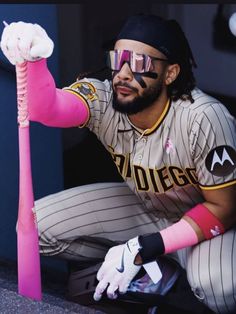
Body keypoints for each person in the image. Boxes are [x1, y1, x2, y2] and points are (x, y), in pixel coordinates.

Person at [1, 14, 236, 314]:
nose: (123, 73)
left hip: (202, 223)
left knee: (221, 288)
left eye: (139, 63)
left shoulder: (202, 116)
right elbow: (47, 109)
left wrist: (147, 246)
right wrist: (35, 60)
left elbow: (225, 208)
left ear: (171, 73)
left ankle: (162, 269)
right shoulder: (104, 98)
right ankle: (150, 267)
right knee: (39, 230)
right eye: (118, 59)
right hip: (145, 208)